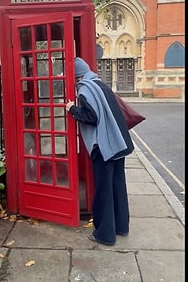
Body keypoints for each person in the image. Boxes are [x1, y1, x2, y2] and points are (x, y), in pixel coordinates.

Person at [66, 57, 134, 246]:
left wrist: (72, 109)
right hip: (119, 143)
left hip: (103, 147)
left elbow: (91, 117)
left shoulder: (85, 89)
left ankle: (104, 235)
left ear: (76, 77)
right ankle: (121, 227)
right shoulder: (100, 84)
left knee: (104, 191)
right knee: (117, 186)